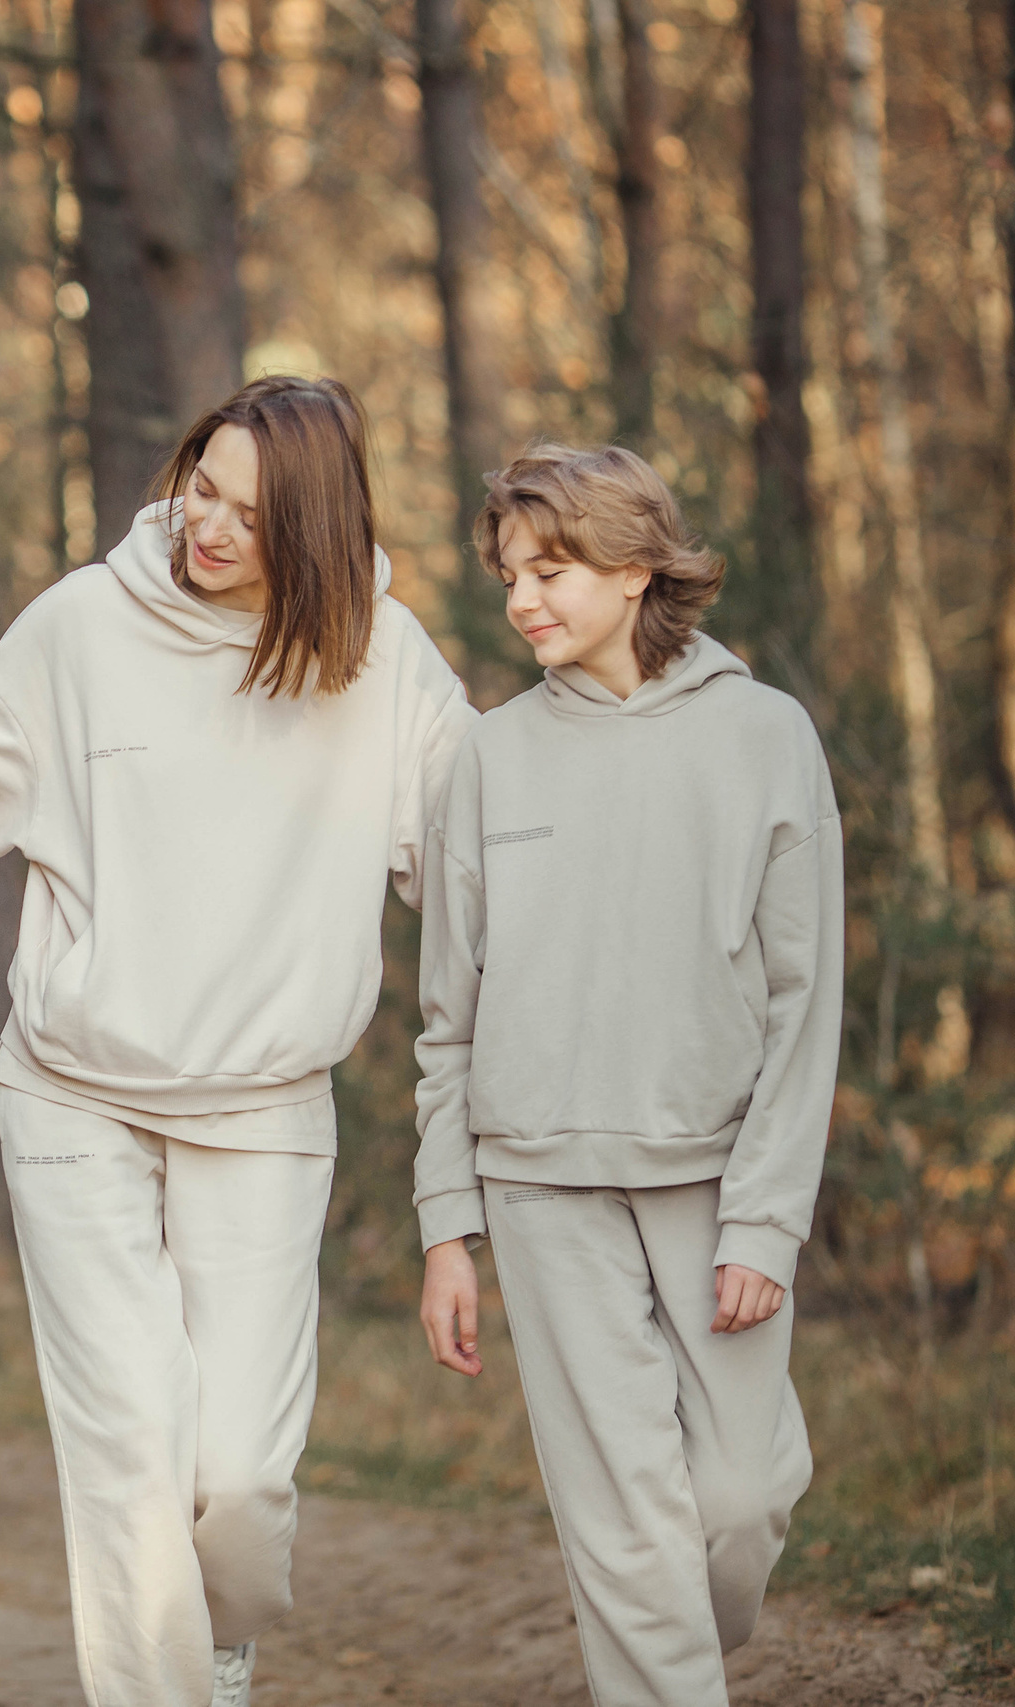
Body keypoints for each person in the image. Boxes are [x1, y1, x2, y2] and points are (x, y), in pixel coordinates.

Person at [0, 375, 474, 1707]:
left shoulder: (381, 656)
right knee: (126, 1454)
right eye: (201, 488)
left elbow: (478, 852)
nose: (207, 527)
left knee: (236, 1479)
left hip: (267, 1107)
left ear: (317, 534)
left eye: (248, 512)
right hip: (74, 1097)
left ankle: (211, 1634)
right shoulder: (84, 624)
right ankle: (174, 1681)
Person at [412, 444, 840, 1707]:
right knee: (626, 1536)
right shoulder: (488, 758)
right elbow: (449, 1018)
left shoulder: (766, 737)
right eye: (507, 576)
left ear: (636, 563)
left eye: (549, 570)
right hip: (542, 1189)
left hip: (715, 1185)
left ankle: (668, 1651)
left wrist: (767, 1218)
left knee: (737, 1503)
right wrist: (449, 1225)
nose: (521, 601)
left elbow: (802, 1002)